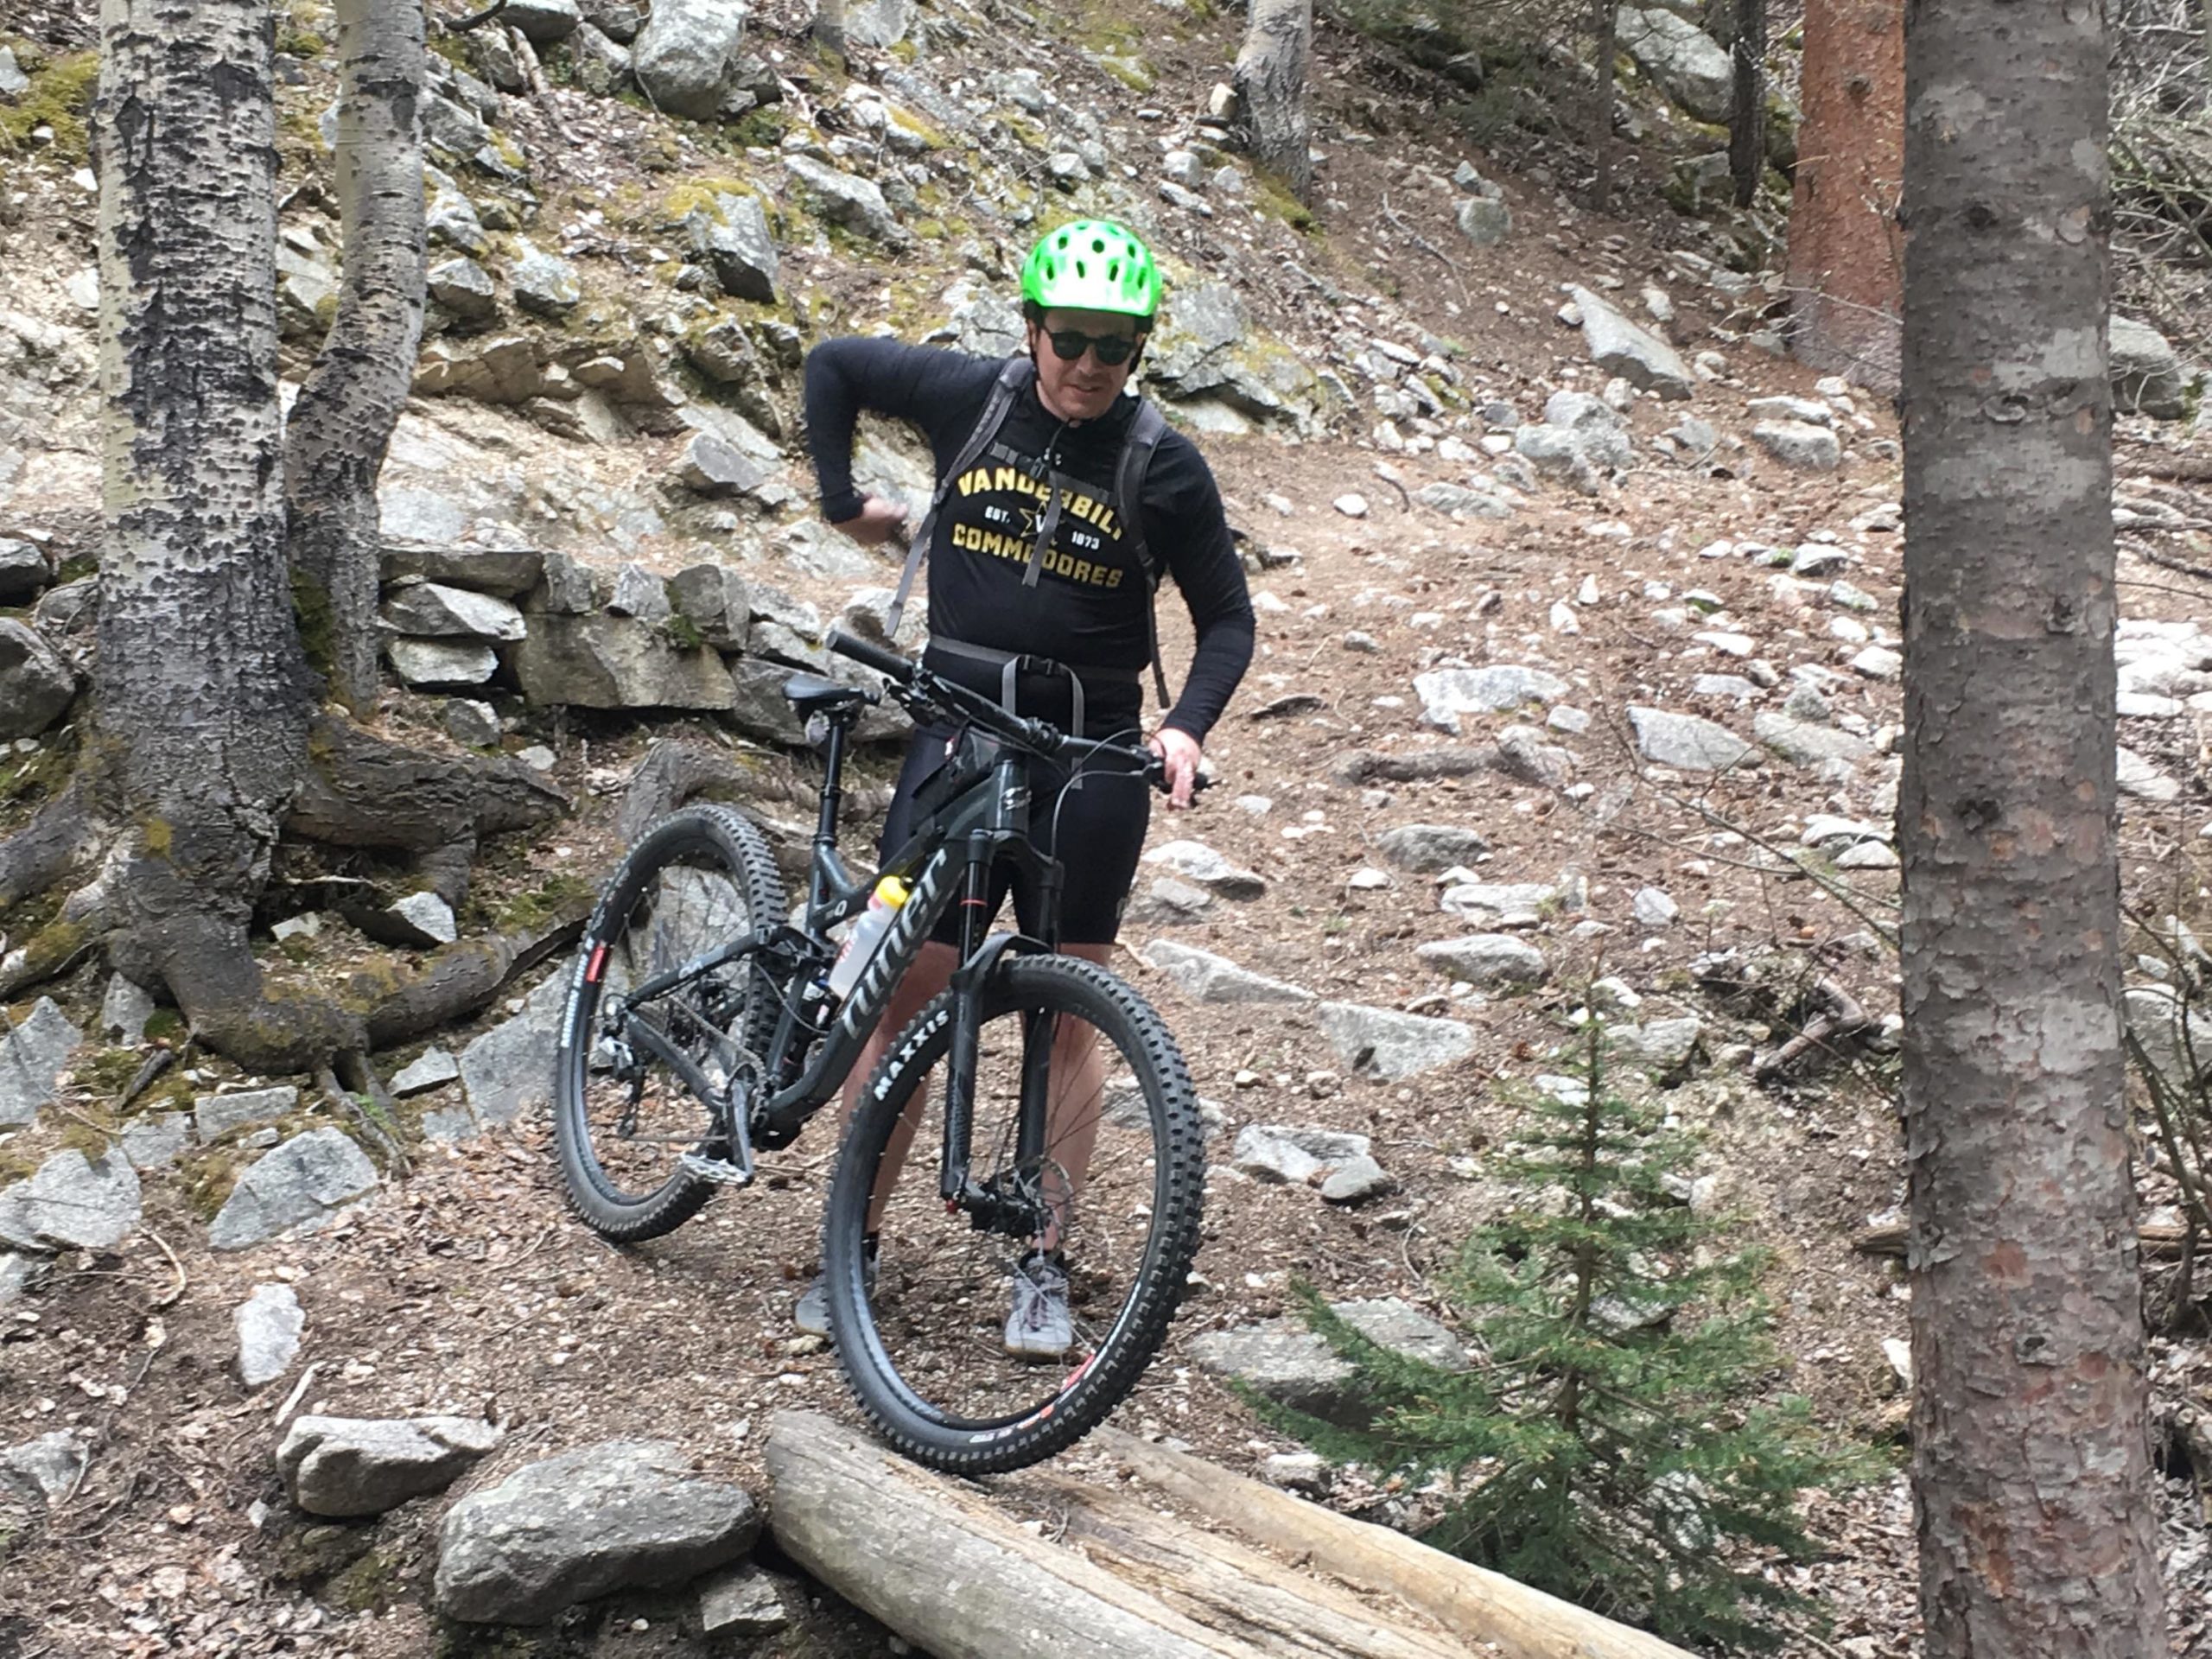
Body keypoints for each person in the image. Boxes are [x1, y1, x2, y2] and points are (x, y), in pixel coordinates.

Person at [793, 219, 1255, 1356]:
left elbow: (1228, 617)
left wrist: (1186, 727)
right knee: (908, 999)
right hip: (958, 731)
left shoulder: (1162, 460)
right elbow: (834, 365)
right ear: (1033, 326)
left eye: (1116, 346)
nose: (1089, 365)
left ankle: (1041, 1262)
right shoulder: (973, 398)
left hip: (1091, 755)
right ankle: (849, 1244)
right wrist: (843, 500)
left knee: (1065, 1012)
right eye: (1071, 340)